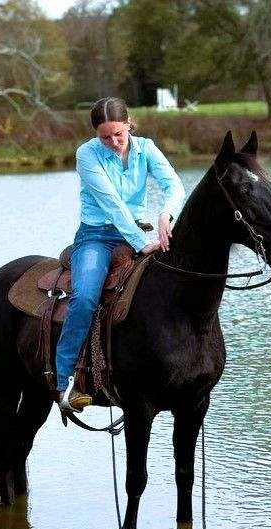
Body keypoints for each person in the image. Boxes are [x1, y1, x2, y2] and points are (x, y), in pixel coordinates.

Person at [56, 97, 186, 412]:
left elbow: (175, 187)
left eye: (118, 134)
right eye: (105, 136)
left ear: (129, 123)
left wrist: (166, 216)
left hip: (139, 230)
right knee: (86, 296)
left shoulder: (147, 148)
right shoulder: (87, 155)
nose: (113, 142)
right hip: (97, 236)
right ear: (95, 135)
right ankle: (63, 381)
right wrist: (142, 244)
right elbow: (112, 204)